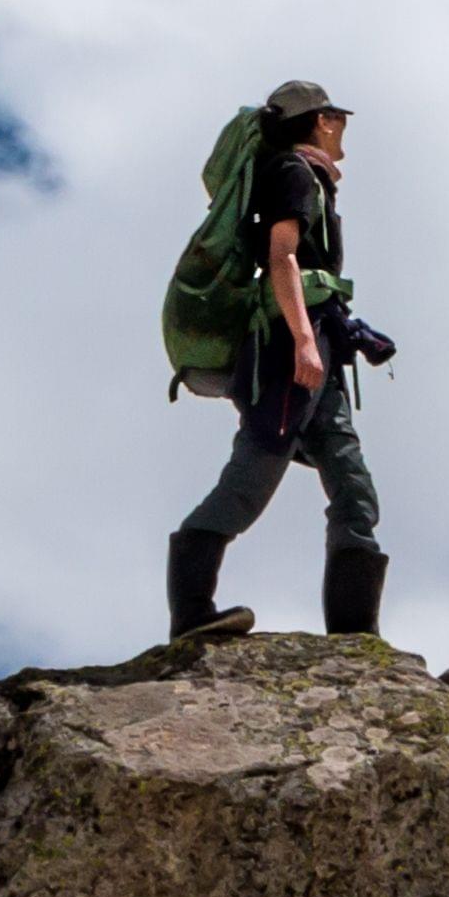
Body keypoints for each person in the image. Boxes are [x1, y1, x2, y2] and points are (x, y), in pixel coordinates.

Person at [167, 78, 399, 645]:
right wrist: (301, 339)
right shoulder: (294, 174)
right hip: (289, 346)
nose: (343, 126)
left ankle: (354, 634)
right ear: (320, 120)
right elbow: (282, 256)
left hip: (317, 343)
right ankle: (191, 612)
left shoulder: (312, 179)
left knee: (353, 488)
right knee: (252, 476)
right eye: (337, 116)